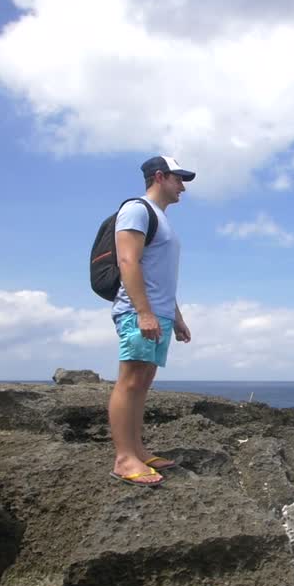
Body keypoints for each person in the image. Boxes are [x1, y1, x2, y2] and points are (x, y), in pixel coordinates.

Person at [107, 155, 195, 487]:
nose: (182, 186)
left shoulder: (161, 219)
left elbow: (159, 274)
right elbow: (128, 260)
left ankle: (137, 449)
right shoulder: (136, 210)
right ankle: (123, 458)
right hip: (138, 310)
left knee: (142, 383)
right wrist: (143, 311)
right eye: (178, 179)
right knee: (130, 381)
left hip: (157, 312)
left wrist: (176, 317)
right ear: (159, 177)